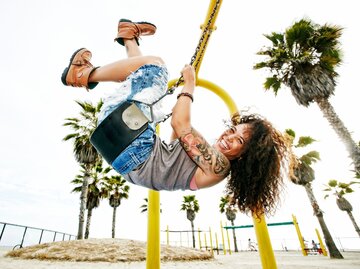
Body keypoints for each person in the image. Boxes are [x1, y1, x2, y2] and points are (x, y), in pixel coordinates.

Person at [61, 18, 288, 217]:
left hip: (133, 147)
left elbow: (179, 124)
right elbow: (173, 142)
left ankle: (83, 75)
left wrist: (189, 84)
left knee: (156, 67)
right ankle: (129, 37)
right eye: (232, 131)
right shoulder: (203, 159)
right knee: (146, 82)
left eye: (239, 141)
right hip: (120, 147)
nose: (229, 137)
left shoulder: (220, 167)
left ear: (244, 157)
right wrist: (174, 102)